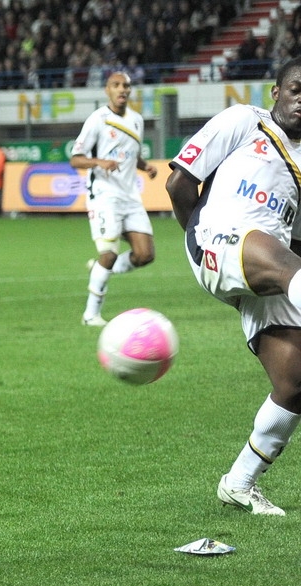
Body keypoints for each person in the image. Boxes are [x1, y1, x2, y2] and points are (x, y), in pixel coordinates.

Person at [165, 56, 301, 517]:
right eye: (297, 89)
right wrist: (199, 238)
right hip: (218, 239)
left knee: (295, 383)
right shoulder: (245, 120)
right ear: (276, 92)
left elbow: (296, 241)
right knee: (281, 260)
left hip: (271, 263)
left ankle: (240, 482)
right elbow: (179, 184)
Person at [70, 71, 157, 327]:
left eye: (126, 86)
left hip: (130, 196)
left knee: (145, 255)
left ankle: (101, 268)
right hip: (104, 195)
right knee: (108, 253)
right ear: (107, 90)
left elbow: (130, 154)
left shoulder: (137, 120)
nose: (122, 90)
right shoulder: (98, 119)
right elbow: (76, 159)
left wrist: (145, 166)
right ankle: (91, 315)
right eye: (116, 85)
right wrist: (99, 162)